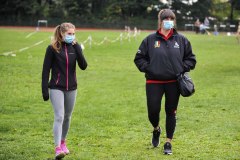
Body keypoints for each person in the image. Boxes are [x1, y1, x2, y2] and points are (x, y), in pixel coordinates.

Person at [134, 9, 196, 155]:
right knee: (153, 111)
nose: (169, 21)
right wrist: (149, 69)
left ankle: (168, 142)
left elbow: (191, 59)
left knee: (171, 112)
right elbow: (139, 58)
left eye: (171, 18)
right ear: (160, 21)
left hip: (174, 82)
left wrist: (181, 68)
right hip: (153, 82)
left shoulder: (182, 40)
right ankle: (156, 129)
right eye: (166, 18)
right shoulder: (149, 40)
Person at [41, 22, 87, 159]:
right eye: (69, 34)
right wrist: (44, 89)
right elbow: (45, 71)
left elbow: (83, 66)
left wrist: (78, 48)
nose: (71, 36)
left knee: (67, 117)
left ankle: (63, 142)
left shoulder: (75, 47)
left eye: (73, 34)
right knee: (59, 116)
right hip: (56, 87)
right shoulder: (52, 48)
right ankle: (57, 148)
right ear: (62, 33)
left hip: (72, 88)